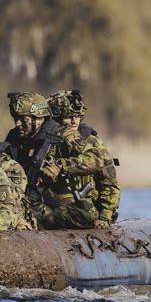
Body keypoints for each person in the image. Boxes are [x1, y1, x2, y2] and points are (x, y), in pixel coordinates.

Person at [0, 91, 104, 230]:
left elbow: (96, 160)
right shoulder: (14, 137)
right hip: (25, 201)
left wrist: (60, 166)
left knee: (80, 215)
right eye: (15, 119)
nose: (18, 124)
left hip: (59, 206)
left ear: (39, 119)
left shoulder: (63, 134)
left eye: (23, 120)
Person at [46, 90, 120, 229]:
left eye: (77, 116)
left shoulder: (91, 142)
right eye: (68, 116)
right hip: (57, 205)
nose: (74, 121)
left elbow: (109, 183)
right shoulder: (47, 143)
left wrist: (105, 217)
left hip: (86, 210)